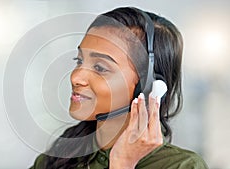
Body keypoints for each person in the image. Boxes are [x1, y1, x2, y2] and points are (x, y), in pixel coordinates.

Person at [30, 7, 208, 169]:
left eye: (100, 68)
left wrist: (123, 163)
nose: (75, 77)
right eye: (79, 61)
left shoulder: (183, 166)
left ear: (147, 86)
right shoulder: (58, 157)